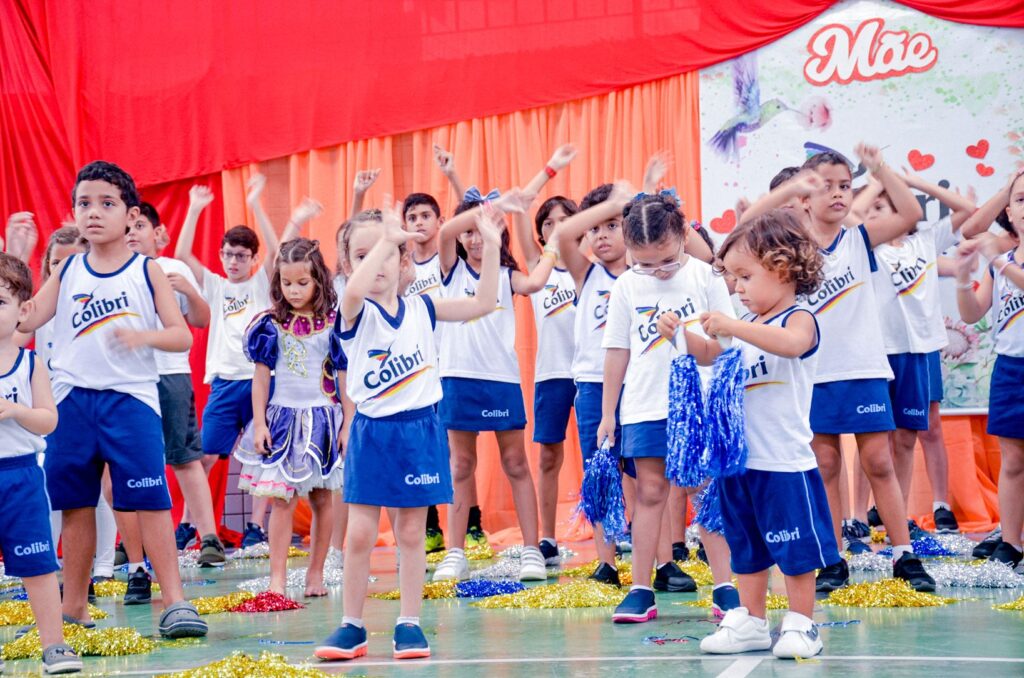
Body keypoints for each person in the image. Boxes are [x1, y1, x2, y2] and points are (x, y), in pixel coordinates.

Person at [19, 160, 207, 638]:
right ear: (74, 211)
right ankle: (75, 607)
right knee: (76, 504)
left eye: (107, 203)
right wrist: (18, 260)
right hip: (72, 403)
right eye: (84, 203)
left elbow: (182, 336)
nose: (94, 212)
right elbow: (27, 317)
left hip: (131, 403)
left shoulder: (148, 271)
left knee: (151, 501)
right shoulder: (67, 269)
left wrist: (144, 336)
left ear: (130, 215)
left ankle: (175, 602)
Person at [742, 145, 935, 593]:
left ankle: (903, 554)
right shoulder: (787, 249)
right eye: (825, 186)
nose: (838, 194)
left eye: (845, 186)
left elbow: (908, 213)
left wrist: (881, 168)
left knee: (878, 461)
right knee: (825, 462)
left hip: (863, 369)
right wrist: (792, 186)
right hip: (814, 375)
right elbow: (749, 221)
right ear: (804, 197)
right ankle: (832, 557)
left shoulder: (858, 238)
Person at [315, 201, 502, 661]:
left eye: (385, 254)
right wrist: (384, 240)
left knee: (412, 534)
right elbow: (354, 292)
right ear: (347, 266)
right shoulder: (353, 311)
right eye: (361, 256)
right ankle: (352, 626)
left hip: (419, 431)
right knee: (359, 533)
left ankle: (410, 623)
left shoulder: (423, 308)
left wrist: (494, 244)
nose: (375, 263)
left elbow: (483, 302)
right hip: (372, 433)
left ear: (404, 261)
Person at [663, 209, 839, 659]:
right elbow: (708, 355)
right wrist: (679, 338)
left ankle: (802, 623)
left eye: (744, 276)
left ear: (782, 268)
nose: (737, 288)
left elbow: (794, 345)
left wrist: (734, 325)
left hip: (783, 464)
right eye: (733, 278)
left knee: (795, 549)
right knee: (748, 549)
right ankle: (753, 622)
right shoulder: (744, 328)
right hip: (741, 462)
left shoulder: (798, 318)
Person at [599, 192, 733, 624]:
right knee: (650, 493)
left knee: (707, 492)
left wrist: (683, 338)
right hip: (644, 403)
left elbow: (719, 350)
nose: (657, 272)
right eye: (645, 264)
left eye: (667, 262)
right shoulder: (626, 285)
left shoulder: (706, 278)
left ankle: (726, 586)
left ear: (682, 236)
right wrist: (608, 414)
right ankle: (641, 588)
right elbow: (617, 351)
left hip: (699, 404)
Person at [174, 177, 317, 547]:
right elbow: (183, 255)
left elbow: (277, 249)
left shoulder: (260, 285)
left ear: (252, 260)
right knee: (204, 456)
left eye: (241, 255)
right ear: (221, 256)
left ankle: (255, 527)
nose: (233, 261)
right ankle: (191, 522)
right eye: (228, 254)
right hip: (223, 383)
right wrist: (193, 209)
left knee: (261, 455)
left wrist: (257, 203)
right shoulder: (216, 286)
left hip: (260, 382)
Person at [431, 189, 556, 583]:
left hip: (500, 380)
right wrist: (481, 217)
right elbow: (445, 231)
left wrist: (550, 243)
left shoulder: (505, 276)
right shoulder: (449, 269)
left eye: (481, 232)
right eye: (468, 232)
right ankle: (455, 552)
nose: (473, 238)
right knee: (460, 464)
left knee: (516, 463)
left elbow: (536, 282)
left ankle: (532, 550)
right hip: (456, 378)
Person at [852, 172, 975, 537]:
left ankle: (896, 520)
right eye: (870, 208)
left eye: (882, 208)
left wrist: (908, 182)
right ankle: (858, 516)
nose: (873, 214)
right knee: (872, 437)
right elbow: (852, 219)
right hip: (876, 353)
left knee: (906, 438)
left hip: (916, 354)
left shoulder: (925, 241)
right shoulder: (865, 247)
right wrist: (877, 181)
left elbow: (967, 209)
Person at [122, 203, 225, 583]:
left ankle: (209, 536)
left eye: (140, 226)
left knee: (184, 457)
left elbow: (201, 319)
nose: (133, 233)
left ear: (157, 233)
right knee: (129, 461)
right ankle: (133, 544)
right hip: (126, 380)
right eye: (128, 227)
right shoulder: (112, 274)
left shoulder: (173, 269)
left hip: (170, 374)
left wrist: (188, 292)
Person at [234, 238, 343, 596]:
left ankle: (316, 573)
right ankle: (277, 578)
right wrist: (260, 422)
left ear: (319, 281)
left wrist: (349, 422)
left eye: (302, 283)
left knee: (323, 499)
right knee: (281, 499)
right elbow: (261, 378)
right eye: (286, 283)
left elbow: (343, 376)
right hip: (282, 419)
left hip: (324, 418)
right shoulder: (270, 324)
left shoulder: (334, 322)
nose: (293, 291)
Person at [0, 253, 83, 674]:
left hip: (20, 477)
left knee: (38, 567)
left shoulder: (29, 364)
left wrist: (15, 411)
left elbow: (49, 420)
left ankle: (54, 644)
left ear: (22, 310)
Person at [510, 144, 580, 565]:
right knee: (549, 455)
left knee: (606, 454)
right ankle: (548, 538)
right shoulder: (540, 265)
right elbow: (520, 205)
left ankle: (618, 529)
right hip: (552, 373)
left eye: (564, 220)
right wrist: (550, 168)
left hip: (594, 374)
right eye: (548, 222)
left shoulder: (593, 265)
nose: (556, 227)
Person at [955, 170, 1024, 569]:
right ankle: (1011, 541)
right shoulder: (1001, 260)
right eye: (1020, 200)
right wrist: (964, 278)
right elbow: (972, 311)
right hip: (1011, 368)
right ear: (1009, 212)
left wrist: (995, 256)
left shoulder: (1000, 258)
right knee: (1013, 460)